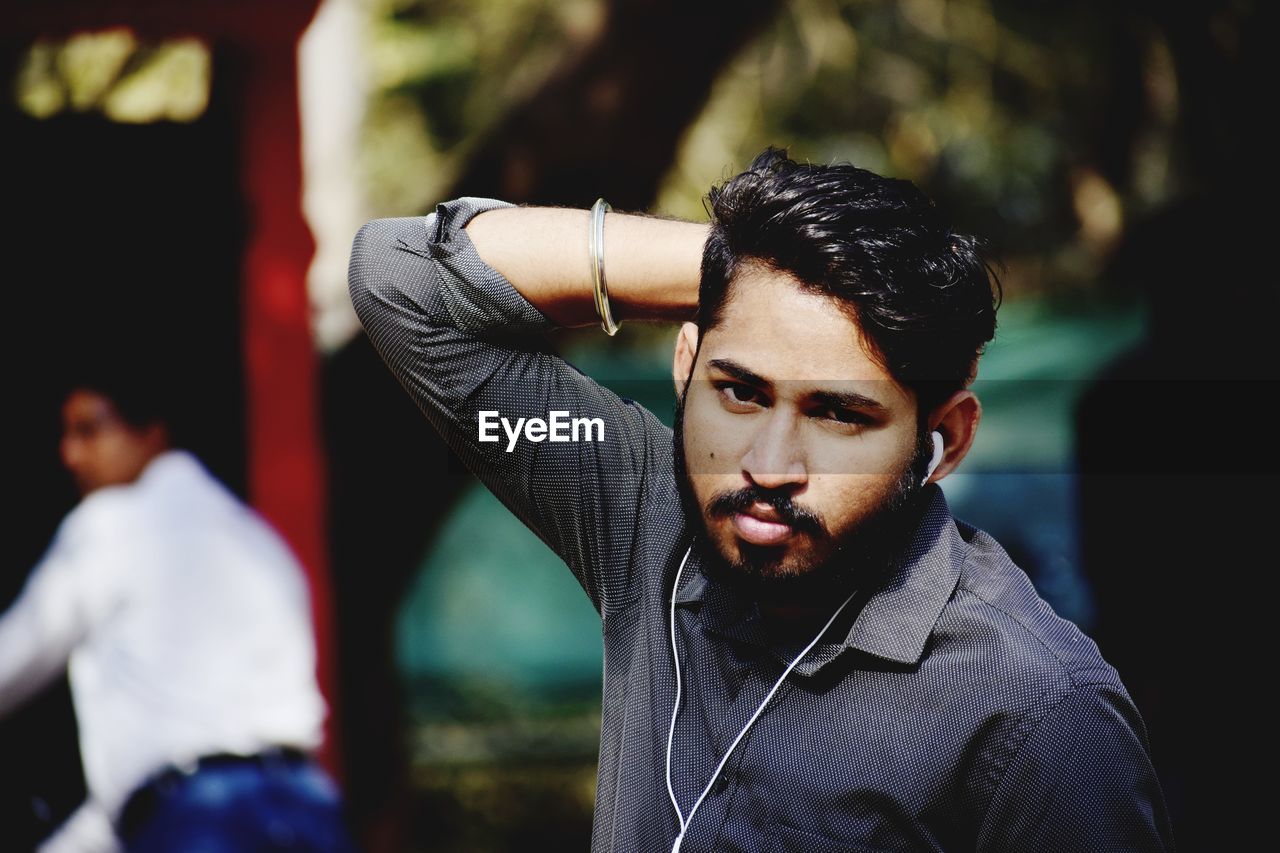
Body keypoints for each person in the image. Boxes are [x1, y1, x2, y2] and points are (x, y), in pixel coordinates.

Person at [348, 149, 1174, 851]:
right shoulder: (642, 516)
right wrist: (742, 269)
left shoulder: (1038, 718)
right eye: (739, 392)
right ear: (684, 369)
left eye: (839, 413)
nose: (768, 465)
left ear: (945, 439)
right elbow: (402, 281)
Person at [0, 363, 355, 852]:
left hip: (199, 820)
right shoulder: (259, 541)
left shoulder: (110, 523)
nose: (70, 454)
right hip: (307, 808)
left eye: (89, 430)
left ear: (150, 432)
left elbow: (15, 657)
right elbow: (160, 767)